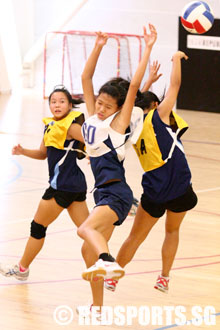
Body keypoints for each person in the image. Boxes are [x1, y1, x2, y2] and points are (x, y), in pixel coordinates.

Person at [104, 51, 198, 293]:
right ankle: (164, 278)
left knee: (135, 237)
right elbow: (175, 85)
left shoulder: (133, 126)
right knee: (172, 230)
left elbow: (134, 105)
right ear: (156, 105)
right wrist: (176, 58)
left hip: (155, 188)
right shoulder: (160, 116)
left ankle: (113, 277)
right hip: (177, 183)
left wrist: (147, 83)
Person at [77, 23, 157, 294]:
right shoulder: (93, 116)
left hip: (117, 194)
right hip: (102, 194)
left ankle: (109, 259)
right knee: (88, 253)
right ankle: (97, 309)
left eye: (107, 106)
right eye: (99, 102)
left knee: (85, 230)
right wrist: (98, 47)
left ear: (119, 109)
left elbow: (133, 87)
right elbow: (86, 78)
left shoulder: (117, 125)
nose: (100, 108)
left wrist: (147, 48)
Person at [0, 86, 90, 281]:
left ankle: (22, 269)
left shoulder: (71, 126)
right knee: (89, 232)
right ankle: (105, 261)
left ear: (69, 105)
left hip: (62, 187)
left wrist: (92, 154)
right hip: (75, 186)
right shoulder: (50, 126)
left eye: (62, 101)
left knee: (38, 227)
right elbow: (43, 154)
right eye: (53, 101)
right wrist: (23, 151)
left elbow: (93, 142)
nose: (57, 105)